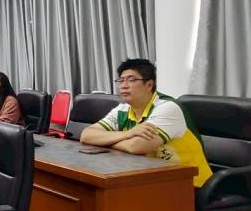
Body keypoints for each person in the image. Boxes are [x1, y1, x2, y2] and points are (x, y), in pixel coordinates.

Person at [81, 58, 212, 188]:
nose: (124, 85)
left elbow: (136, 146)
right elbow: (86, 135)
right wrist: (129, 133)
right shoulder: (123, 109)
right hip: (153, 178)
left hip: (190, 184)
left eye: (131, 80)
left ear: (149, 85)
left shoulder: (167, 108)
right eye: (121, 80)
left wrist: (105, 141)